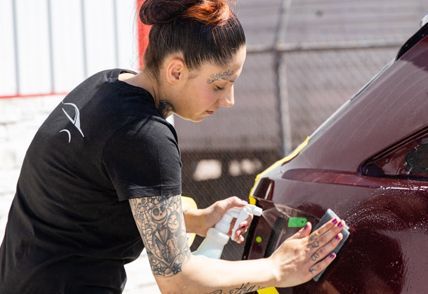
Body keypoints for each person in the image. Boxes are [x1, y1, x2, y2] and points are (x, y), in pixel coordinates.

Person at [0, 0, 346, 293]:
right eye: (220, 84)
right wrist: (278, 269)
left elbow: (101, 199)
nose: (229, 100)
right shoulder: (145, 135)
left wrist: (197, 219)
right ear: (176, 71)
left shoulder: (105, 87)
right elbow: (180, 281)